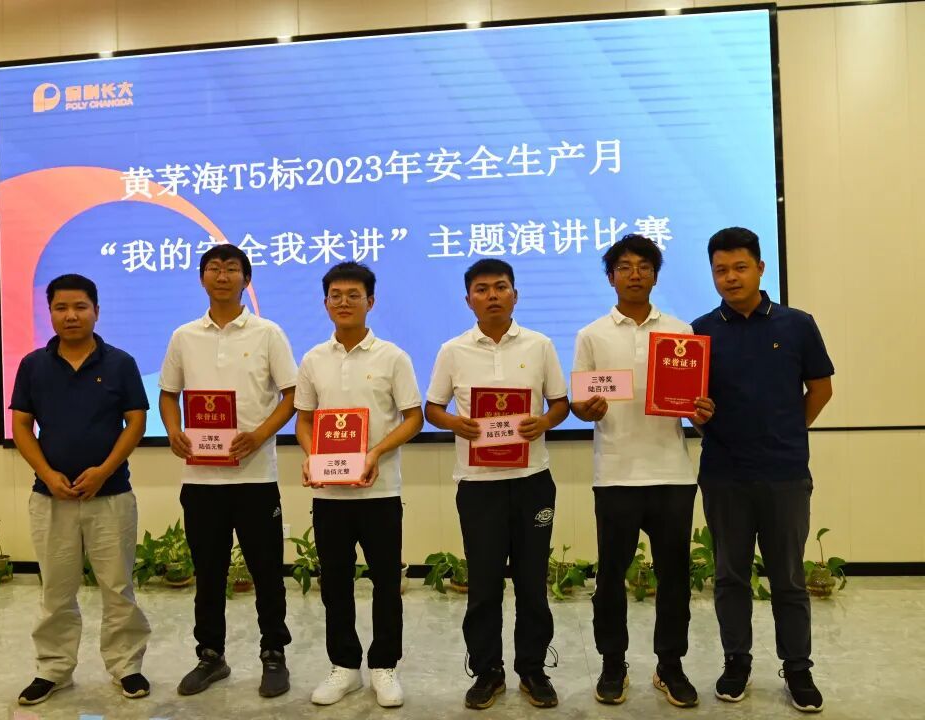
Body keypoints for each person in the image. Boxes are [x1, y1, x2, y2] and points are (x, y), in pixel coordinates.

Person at [691, 227, 833, 714]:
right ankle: (736, 662)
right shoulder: (700, 331)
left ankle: (797, 668)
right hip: (724, 473)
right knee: (730, 576)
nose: (730, 277)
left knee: (788, 578)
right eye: (720, 270)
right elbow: (692, 405)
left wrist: (788, 430)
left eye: (739, 267)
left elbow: (821, 388)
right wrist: (701, 416)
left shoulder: (797, 324)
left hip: (784, 473)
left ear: (760, 268)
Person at [570, 234, 714, 708]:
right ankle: (613, 664)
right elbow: (580, 403)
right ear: (610, 277)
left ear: (655, 275)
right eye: (625, 267)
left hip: (672, 472)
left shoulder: (679, 331)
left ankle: (670, 666)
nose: (635, 274)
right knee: (611, 576)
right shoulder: (591, 334)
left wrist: (700, 409)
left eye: (644, 266)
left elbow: (693, 399)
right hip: (615, 473)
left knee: (674, 576)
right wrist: (587, 409)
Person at [424, 258, 570, 710]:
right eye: (482, 289)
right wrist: (456, 423)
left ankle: (533, 669)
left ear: (515, 295)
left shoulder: (540, 345)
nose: (492, 295)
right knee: (484, 585)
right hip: (478, 484)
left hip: (531, 481)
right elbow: (432, 408)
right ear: (468, 299)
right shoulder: (453, 350)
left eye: (501, 287)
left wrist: (543, 421)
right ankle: (487, 671)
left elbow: (560, 403)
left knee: (532, 583)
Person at [159, 244, 298, 699]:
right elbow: (168, 394)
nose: (222, 275)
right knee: (208, 572)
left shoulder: (268, 333)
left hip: (255, 478)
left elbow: (292, 395)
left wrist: (258, 436)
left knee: (266, 572)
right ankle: (210, 656)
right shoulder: (184, 336)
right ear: (202, 278)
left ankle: (273, 655)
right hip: (201, 480)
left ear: (246, 279)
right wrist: (174, 431)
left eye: (232, 268)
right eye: (214, 268)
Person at [11, 273, 151, 705]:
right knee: (56, 590)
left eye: (80, 307)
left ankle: (126, 667)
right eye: (61, 307)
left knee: (118, 588)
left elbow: (136, 422)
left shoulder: (120, 363)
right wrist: (48, 473)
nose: (70, 315)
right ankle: (52, 669)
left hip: (111, 495)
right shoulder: (33, 365)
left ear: (96, 311)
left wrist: (104, 471)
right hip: (50, 496)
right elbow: (21, 426)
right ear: (50, 313)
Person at [294, 261, 423, 708]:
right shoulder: (313, 359)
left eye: (354, 295)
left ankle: (384, 665)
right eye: (336, 295)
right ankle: (345, 666)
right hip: (329, 494)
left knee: (386, 581)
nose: (344, 302)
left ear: (371, 301)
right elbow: (304, 420)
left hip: (379, 491)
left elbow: (413, 418)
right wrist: (311, 455)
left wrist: (375, 453)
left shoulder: (393, 357)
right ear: (325, 302)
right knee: (335, 582)